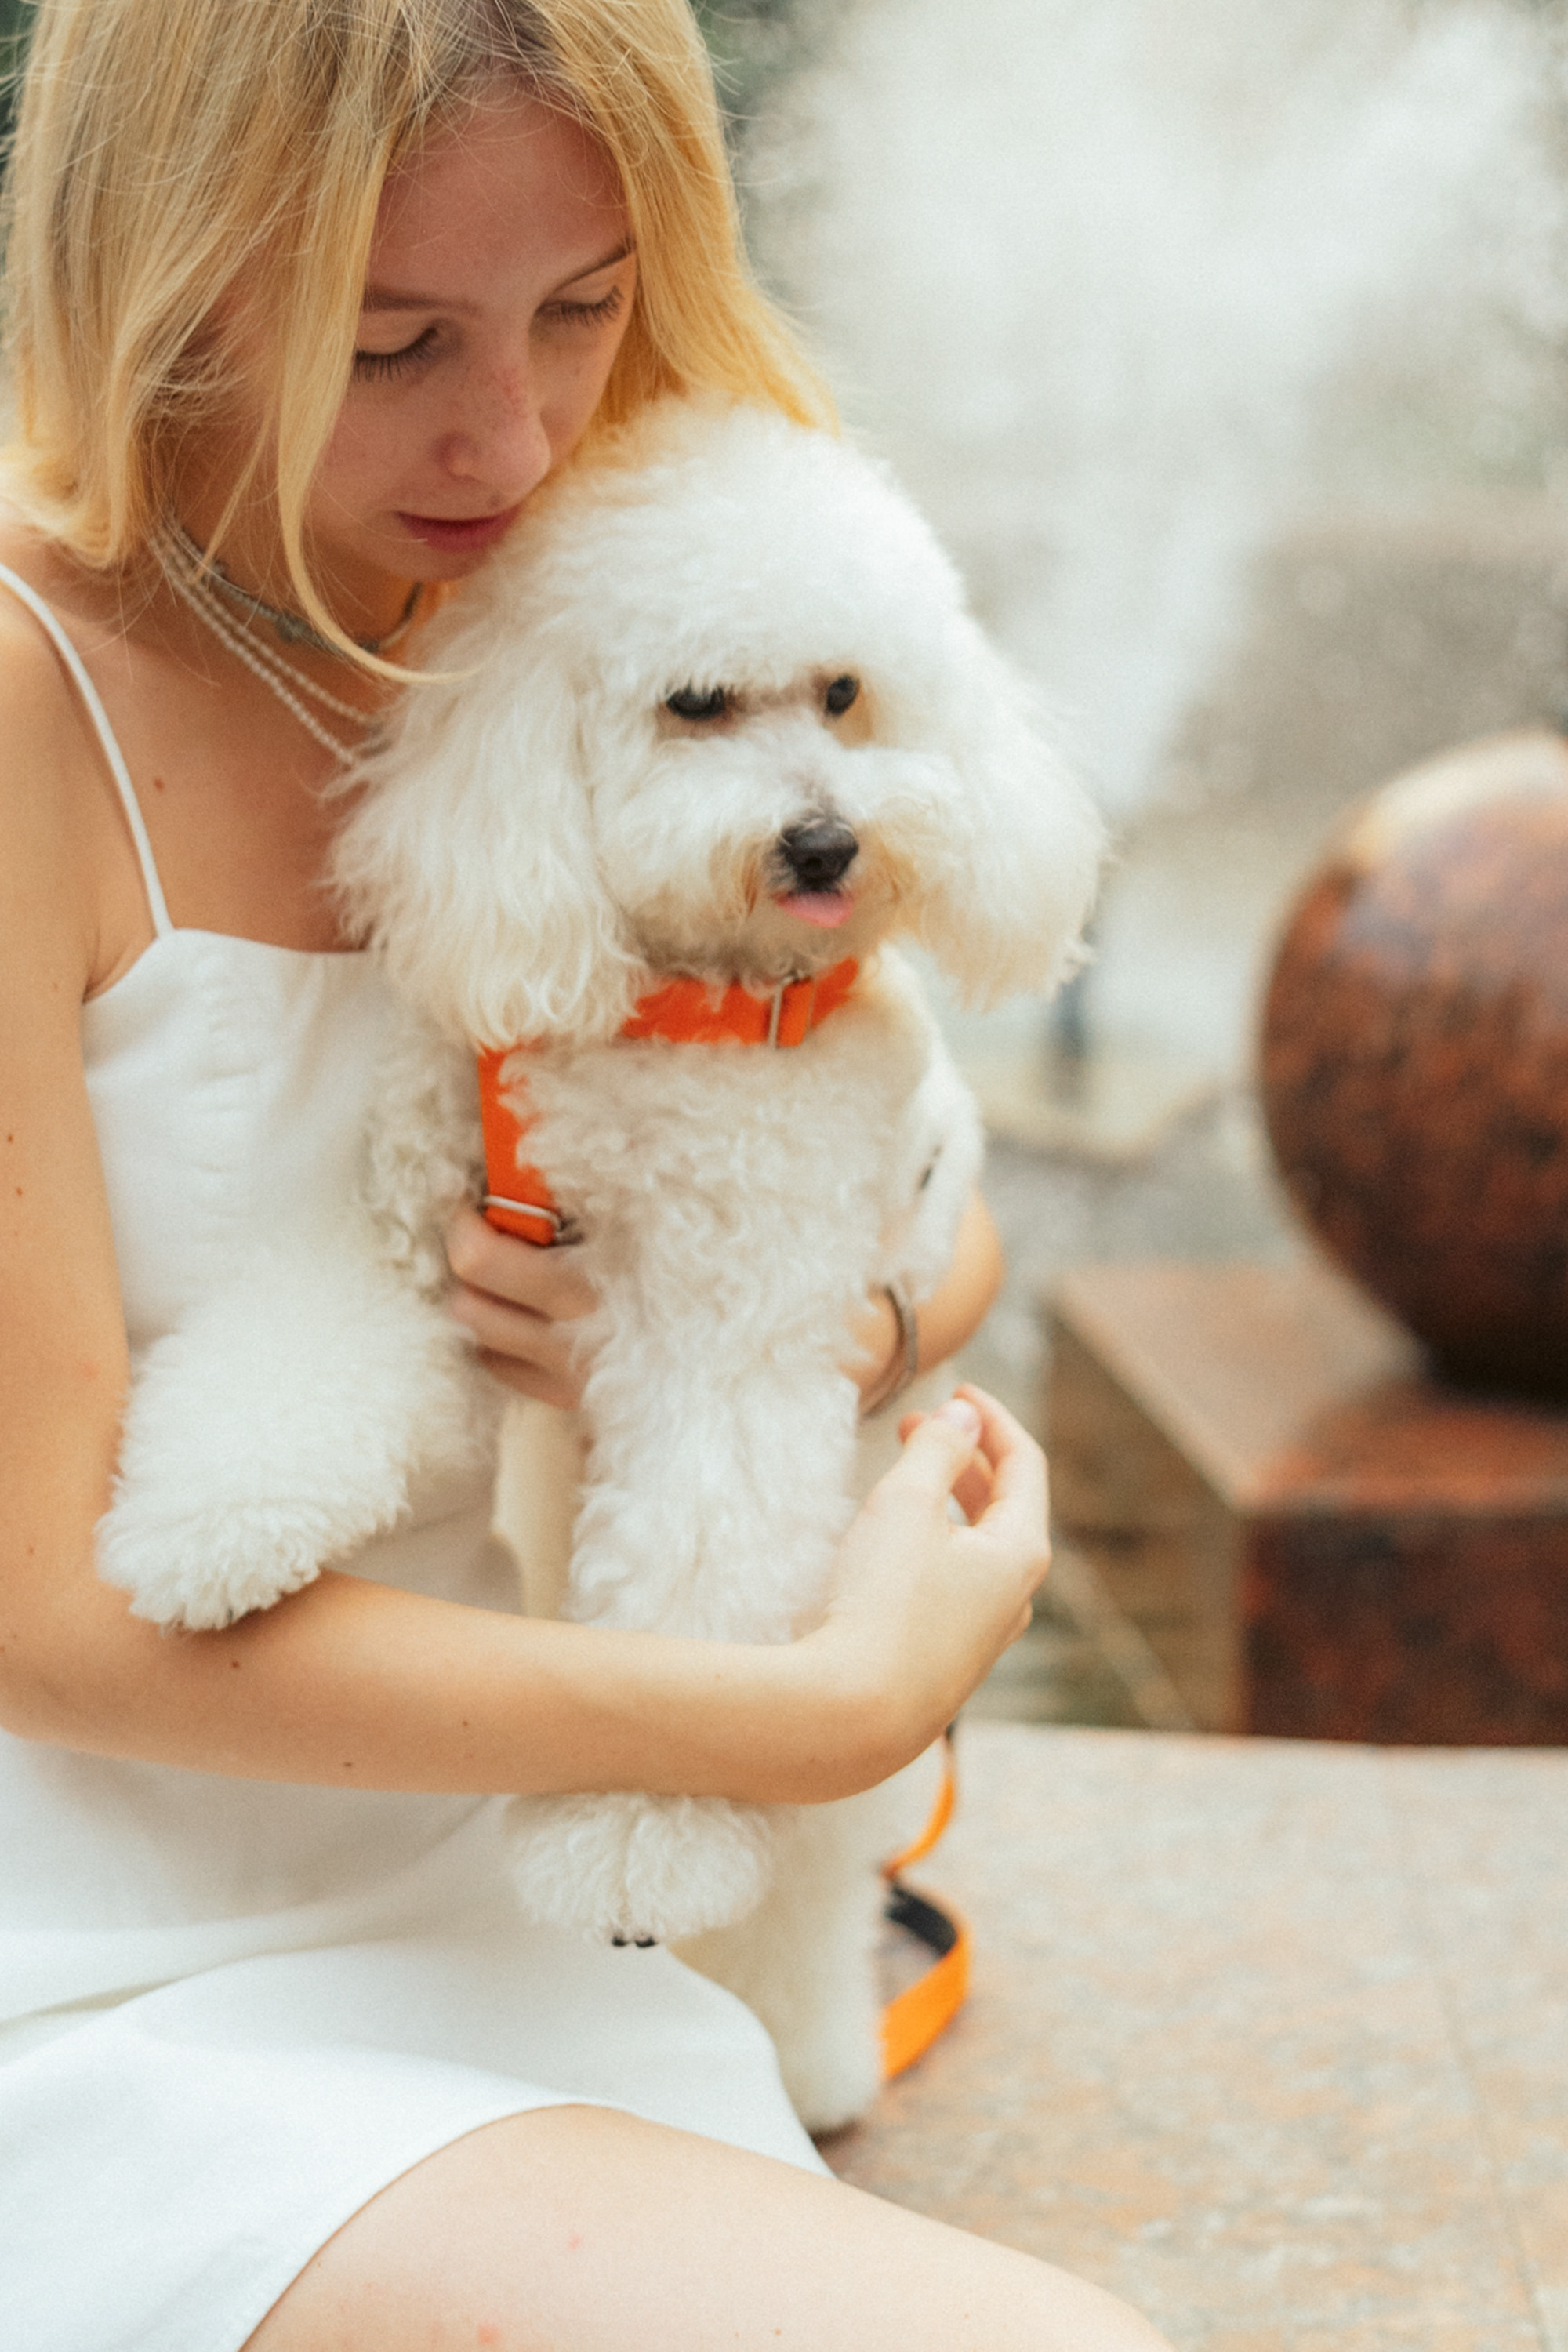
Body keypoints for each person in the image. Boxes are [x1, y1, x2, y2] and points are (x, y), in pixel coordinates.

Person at [0, 3, 1174, 2346]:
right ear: (170, 277)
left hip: (497, 1917)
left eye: (582, 306)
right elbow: (44, 1613)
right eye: (395, 335)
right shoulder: (34, 701)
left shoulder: (593, 601)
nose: (511, 429)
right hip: (84, 1977)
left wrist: (830, 1325)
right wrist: (815, 1714)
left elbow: (911, 1173)